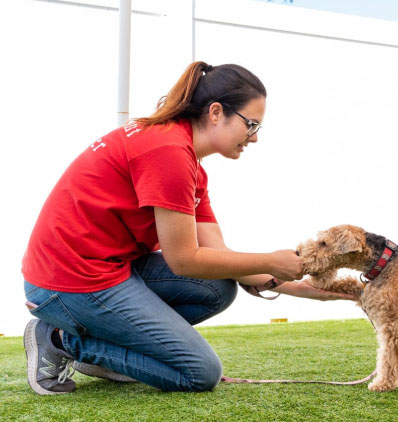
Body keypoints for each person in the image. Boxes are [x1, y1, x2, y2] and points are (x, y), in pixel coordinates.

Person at [21, 61, 353, 396]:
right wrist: (270, 261)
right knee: (199, 372)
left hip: (106, 267)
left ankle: (105, 344)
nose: (253, 138)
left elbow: (217, 255)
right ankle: (60, 340)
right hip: (68, 281)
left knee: (218, 289)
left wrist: (302, 287)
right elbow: (184, 260)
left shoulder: (188, 160)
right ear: (215, 112)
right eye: (250, 125)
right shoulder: (168, 153)